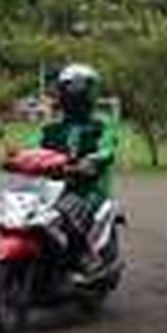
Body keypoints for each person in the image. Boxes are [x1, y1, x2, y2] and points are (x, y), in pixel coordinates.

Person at [38, 63, 118, 278]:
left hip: (88, 188)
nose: (75, 94)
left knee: (67, 211)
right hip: (51, 186)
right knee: (25, 211)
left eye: (80, 90)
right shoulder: (52, 126)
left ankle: (85, 257)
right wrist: (14, 157)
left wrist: (92, 161)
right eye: (70, 89)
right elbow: (33, 147)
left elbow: (107, 147)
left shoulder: (101, 124)